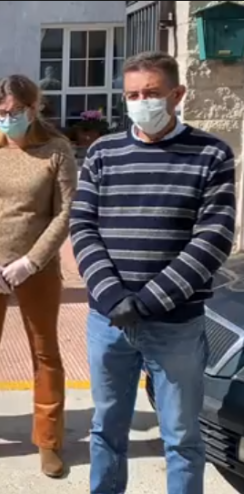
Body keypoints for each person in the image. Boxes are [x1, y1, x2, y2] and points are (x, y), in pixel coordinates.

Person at [70, 51, 236, 494]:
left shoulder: (211, 154)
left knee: (182, 438)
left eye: (152, 93)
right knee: (106, 428)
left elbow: (213, 238)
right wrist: (112, 296)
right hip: (108, 321)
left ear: (177, 95)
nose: (141, 102)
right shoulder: (103, 152)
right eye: (132, 95)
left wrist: (146, 302)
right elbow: (82, 226)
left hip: (175, 324)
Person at [0, 74, 77, 478]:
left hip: (35, 269)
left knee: (45, 353)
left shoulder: (56, 150)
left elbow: (65, 212)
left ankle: (49, 440)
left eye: (16, 110)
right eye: (1, 112)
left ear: (33, 107)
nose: (8, 118)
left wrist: (32, 261)